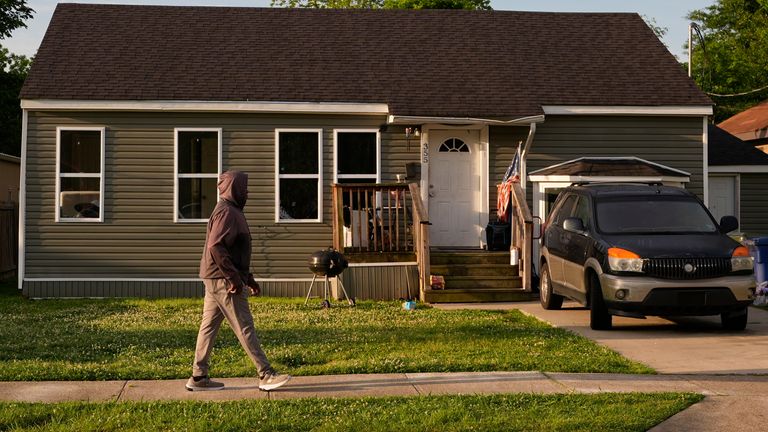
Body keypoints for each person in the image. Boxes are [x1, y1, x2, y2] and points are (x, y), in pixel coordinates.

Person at [186, 170, 291, 392]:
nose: (247, 192)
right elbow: (216, 246)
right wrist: (233, 278)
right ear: (234, 188)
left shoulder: (230, 210)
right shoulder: (227, 212)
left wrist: (248, 278)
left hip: (216, 277)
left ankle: (198, 376)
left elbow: (235, 252)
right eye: (244, 188)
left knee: (208, 327)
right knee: (244, 325)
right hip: (223, 280)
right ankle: (266, 374)